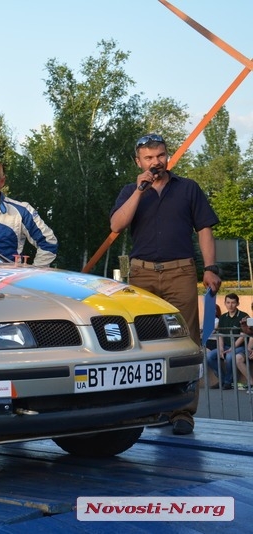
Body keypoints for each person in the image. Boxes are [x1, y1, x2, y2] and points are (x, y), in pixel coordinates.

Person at [109, 133, 222, 435]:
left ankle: (182, 411)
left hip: (180, 270)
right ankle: (149, 405)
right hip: (142, 273)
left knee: (186, 340)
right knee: (143, 342)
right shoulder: (130, 191)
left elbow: (205, 230)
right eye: (148, 158)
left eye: (160, 155)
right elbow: (117, 226)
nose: (155, 162)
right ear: (139, 162)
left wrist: (210, 268)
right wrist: (138, 190)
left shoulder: (187, 188)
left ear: (167, 156)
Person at [205, 294, 248, 390]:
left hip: (240, 347)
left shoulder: (243, 316)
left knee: (229, 356)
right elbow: (220, 335)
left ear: (237, 303)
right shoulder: (223, 317)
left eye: (233, 302)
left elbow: (242, 336)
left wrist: (232, 347)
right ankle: (223, 379)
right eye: (228, 302)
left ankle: (228, 382)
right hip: (226, 346)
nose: (230, 305)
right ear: (225, 303)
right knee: (209, 356)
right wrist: (220, 348)